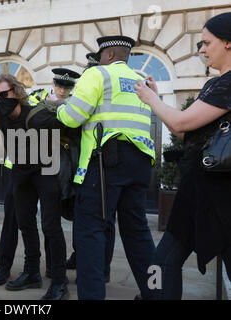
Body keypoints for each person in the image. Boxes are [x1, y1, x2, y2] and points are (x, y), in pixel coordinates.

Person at [134, 12, 231, 300]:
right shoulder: (215, 84)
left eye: (206, 43)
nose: (201, 50)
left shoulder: (228, 84)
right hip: (196, 193)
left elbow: (180, 124)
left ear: (228, 43)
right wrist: (159, 101)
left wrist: (152, 100)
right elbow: (184, 132)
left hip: (222, 199)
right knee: (161, 264)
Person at [56, 35, 156, 300]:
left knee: (91, 232)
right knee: (138, 233)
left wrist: (59, 109)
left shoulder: (98, 74)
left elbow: (73, 117)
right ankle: (157, 292)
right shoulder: (141, 81)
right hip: (141, 161)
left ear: (108, 55)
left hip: (105, 163)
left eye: (100, 55)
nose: (98, 60)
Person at [0, 74, 69, 300]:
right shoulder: (0, 117)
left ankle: (60, 282)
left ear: (16, 92)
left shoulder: (38, 115)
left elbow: (70, 125)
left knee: (51, 227)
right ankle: (32, 272)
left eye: (4, 94)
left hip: (45, 173)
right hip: (22, 175)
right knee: (25, 225)